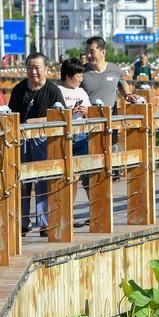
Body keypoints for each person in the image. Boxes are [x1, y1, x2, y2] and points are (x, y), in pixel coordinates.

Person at [8, 52, 63, 235]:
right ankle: (23, 221)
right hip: (22, 139)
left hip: (43, 140)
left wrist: (37, 121)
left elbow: (61, 116)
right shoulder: (19, 90)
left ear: (46, 69)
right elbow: (11, 115)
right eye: (30, 67)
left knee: (43, 180)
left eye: (37, 68)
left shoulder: (53, 91)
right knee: (22, 180)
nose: (33, 72)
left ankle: (45, 222)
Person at [57, 60, 92, 227]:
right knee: (67, 177)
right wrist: (69, 112)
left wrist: (86, 111)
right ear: (68, 75)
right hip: (65, 136)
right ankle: (66, 214)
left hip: (82, 136)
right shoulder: (58, 91)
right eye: (78, 75)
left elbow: (92, 113)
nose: (80, 78)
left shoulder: (82, 92)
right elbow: (53, 114)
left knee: (81, 176)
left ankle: (90, 211)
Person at [81, 36, 133, 109]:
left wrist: (128, 95)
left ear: (103, 52)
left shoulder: (116, 70)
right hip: (88, 118)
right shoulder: (80, 71)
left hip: (111, 117)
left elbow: (122, 85)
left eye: (92, 52)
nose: (88, 55)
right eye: (87, 51)